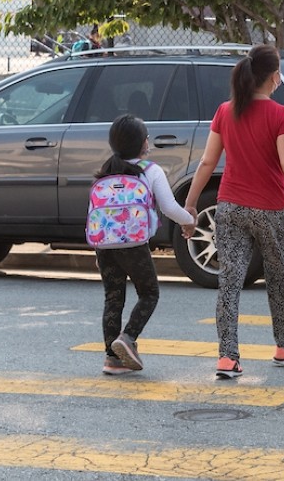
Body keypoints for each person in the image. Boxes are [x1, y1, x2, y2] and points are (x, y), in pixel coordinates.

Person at [183, 44, 284, 380]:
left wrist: (191, 203)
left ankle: (227, 357)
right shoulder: (280, 114)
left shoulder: (225, 111)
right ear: (273, 77)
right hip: (270, 208)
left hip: (229, 207)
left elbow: (207, 161)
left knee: (229, 281)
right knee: (279, 276)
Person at [91, 115, 195, 376]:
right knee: (149, 294)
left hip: (105, 245)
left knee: (113, 298)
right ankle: (128, 338)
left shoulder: (106, 170)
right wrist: (189, 221)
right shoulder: (151, 170)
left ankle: (111, 359)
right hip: (134, 245)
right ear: (142, 143)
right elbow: (169, 208)